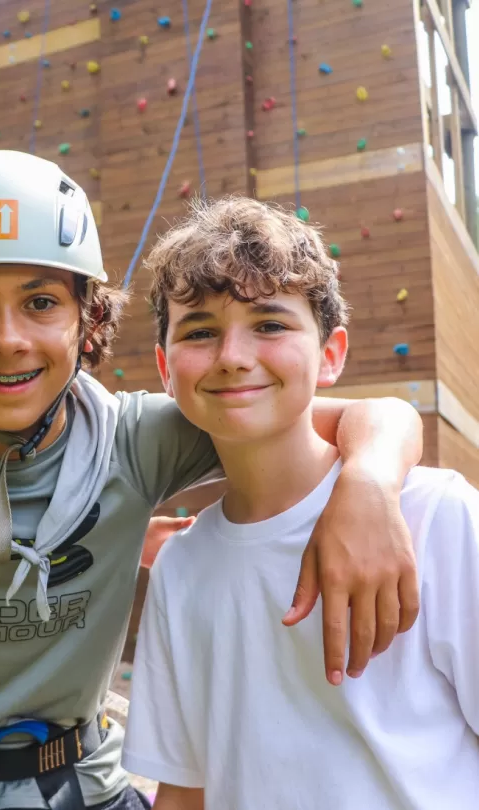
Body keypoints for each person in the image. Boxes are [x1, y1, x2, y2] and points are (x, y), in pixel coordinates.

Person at [0, 150, 423, 810]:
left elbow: (368, 415)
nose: (7, 339)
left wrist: (369, 483)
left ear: (89, 320)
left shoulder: (135, 442)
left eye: (41, 302)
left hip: (84, 789)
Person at [122, 196, 479, 810]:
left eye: (270, 324)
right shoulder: (180, 569)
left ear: (331, 353)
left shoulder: (435, 518)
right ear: (164, 367)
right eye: (201, 331)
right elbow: (185, 789)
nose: (233, 356)